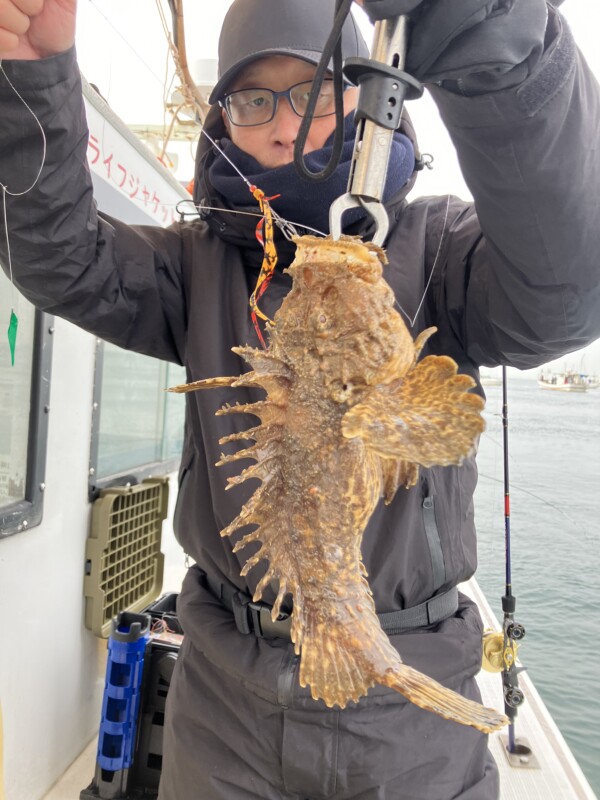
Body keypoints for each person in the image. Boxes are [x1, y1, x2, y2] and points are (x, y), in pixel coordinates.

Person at [1, 0, 599, 797]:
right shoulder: (198, 265)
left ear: (364, 95)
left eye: (314, 92)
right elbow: (58, 260)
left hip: (408, 704)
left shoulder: (443, 247)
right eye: (253, 100)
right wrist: (28, 78)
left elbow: (564, 294)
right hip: (223, 702)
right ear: (226, 120)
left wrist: (499, 37)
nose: (285, 128)